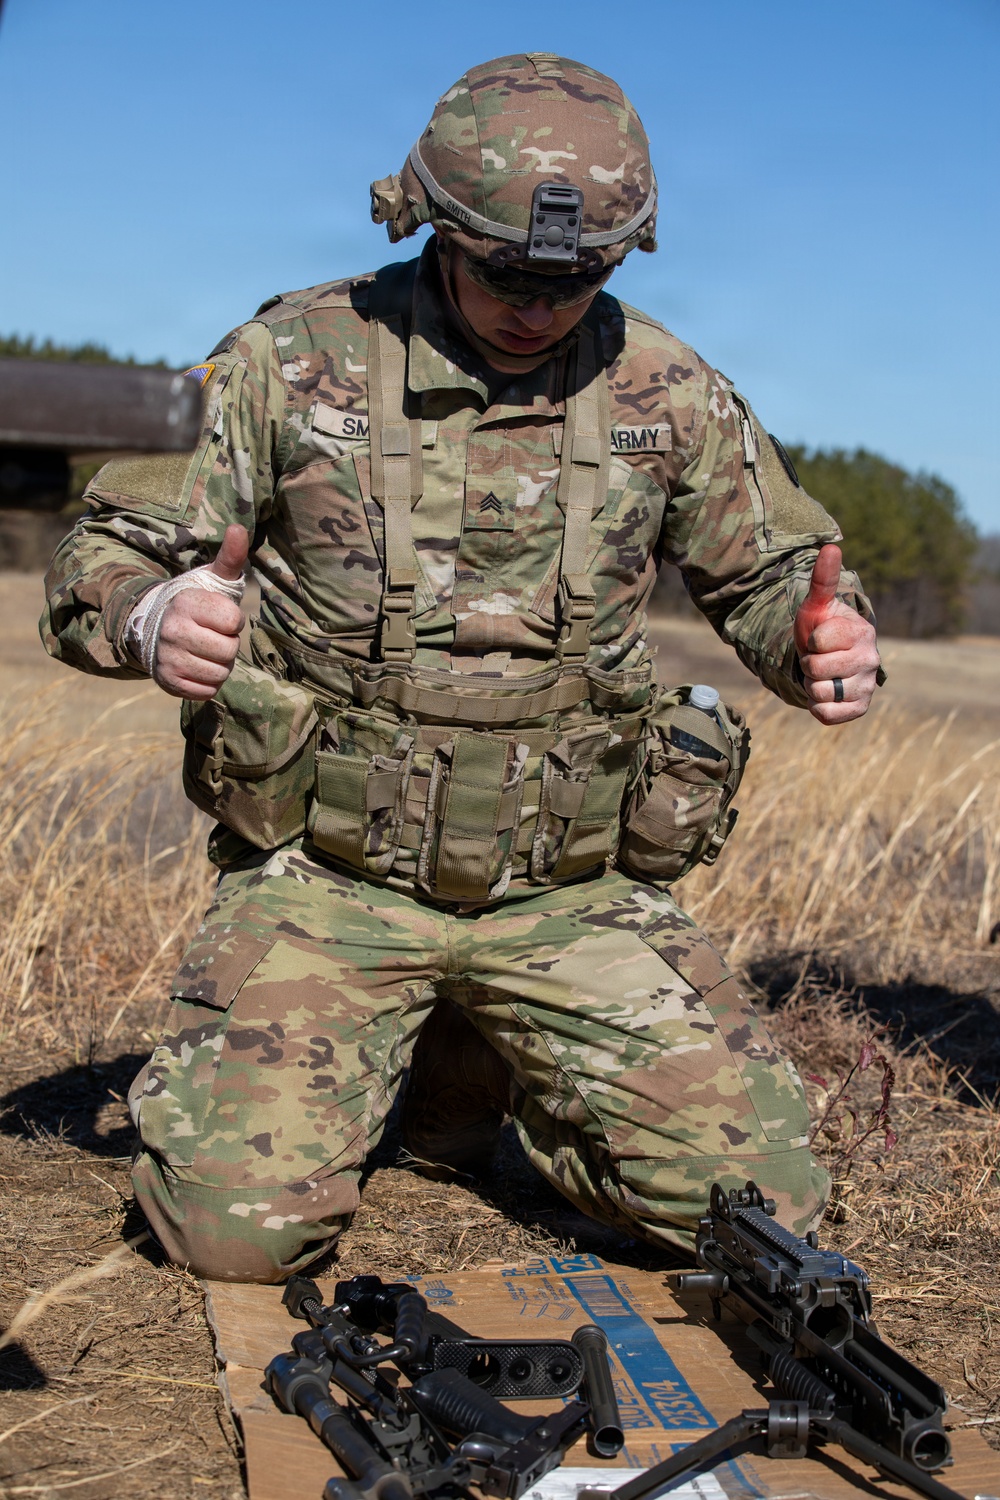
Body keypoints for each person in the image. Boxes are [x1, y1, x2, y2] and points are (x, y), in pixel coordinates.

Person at [41, 53, 882, 1284]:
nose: (538, 307)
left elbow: (775, 574)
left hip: (569, 886)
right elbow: (100, 550)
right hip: (332, 878)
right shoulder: (286, 360)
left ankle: (491, 1072)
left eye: (578, 277)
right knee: (231, 1238)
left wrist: (821, 639)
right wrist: (150, 612)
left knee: (758, 1221)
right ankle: (413, 1047)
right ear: (432, 224)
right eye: (505, 272)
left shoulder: (669, 389)